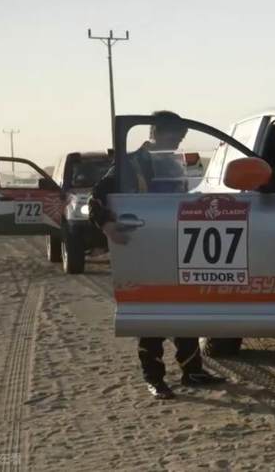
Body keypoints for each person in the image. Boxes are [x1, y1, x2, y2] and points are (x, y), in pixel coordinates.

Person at [89, 110, 225, 400]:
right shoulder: (130, 164)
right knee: (151, 314)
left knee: (185, 308)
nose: (178, 142)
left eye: (182, 137)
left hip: (175, 244)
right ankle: (154, 377)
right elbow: (96, 197)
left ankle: (192, 370)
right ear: (155, 133)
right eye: (174, 136)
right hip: (143, 244)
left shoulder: (175, 164)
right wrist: (108, 225)